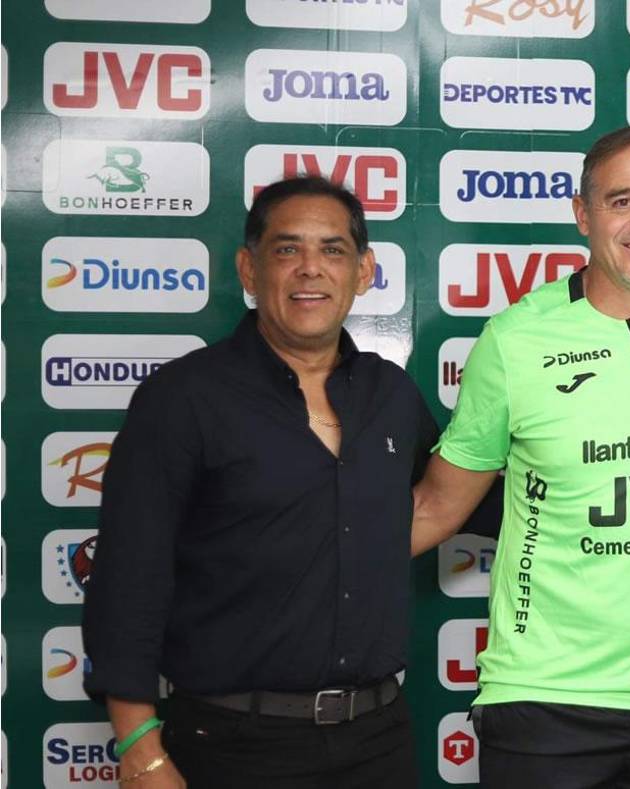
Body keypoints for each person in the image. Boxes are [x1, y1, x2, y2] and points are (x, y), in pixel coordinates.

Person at [411, 126, 630, 788]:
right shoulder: (515, 339)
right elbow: (436, 503)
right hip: (544, 699)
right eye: (620, 201)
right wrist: (302, 565)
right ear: (583, 214)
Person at [83, 177, 448, 788]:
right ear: (249, 270)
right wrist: (140, 747)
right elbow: (127, 577)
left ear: (363, 272)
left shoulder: (391, 395)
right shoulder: (181, 399)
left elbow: (463, 494)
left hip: (377, 740)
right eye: (287, 250)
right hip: (231, 746)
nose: (310, 270)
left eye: (333, 250)